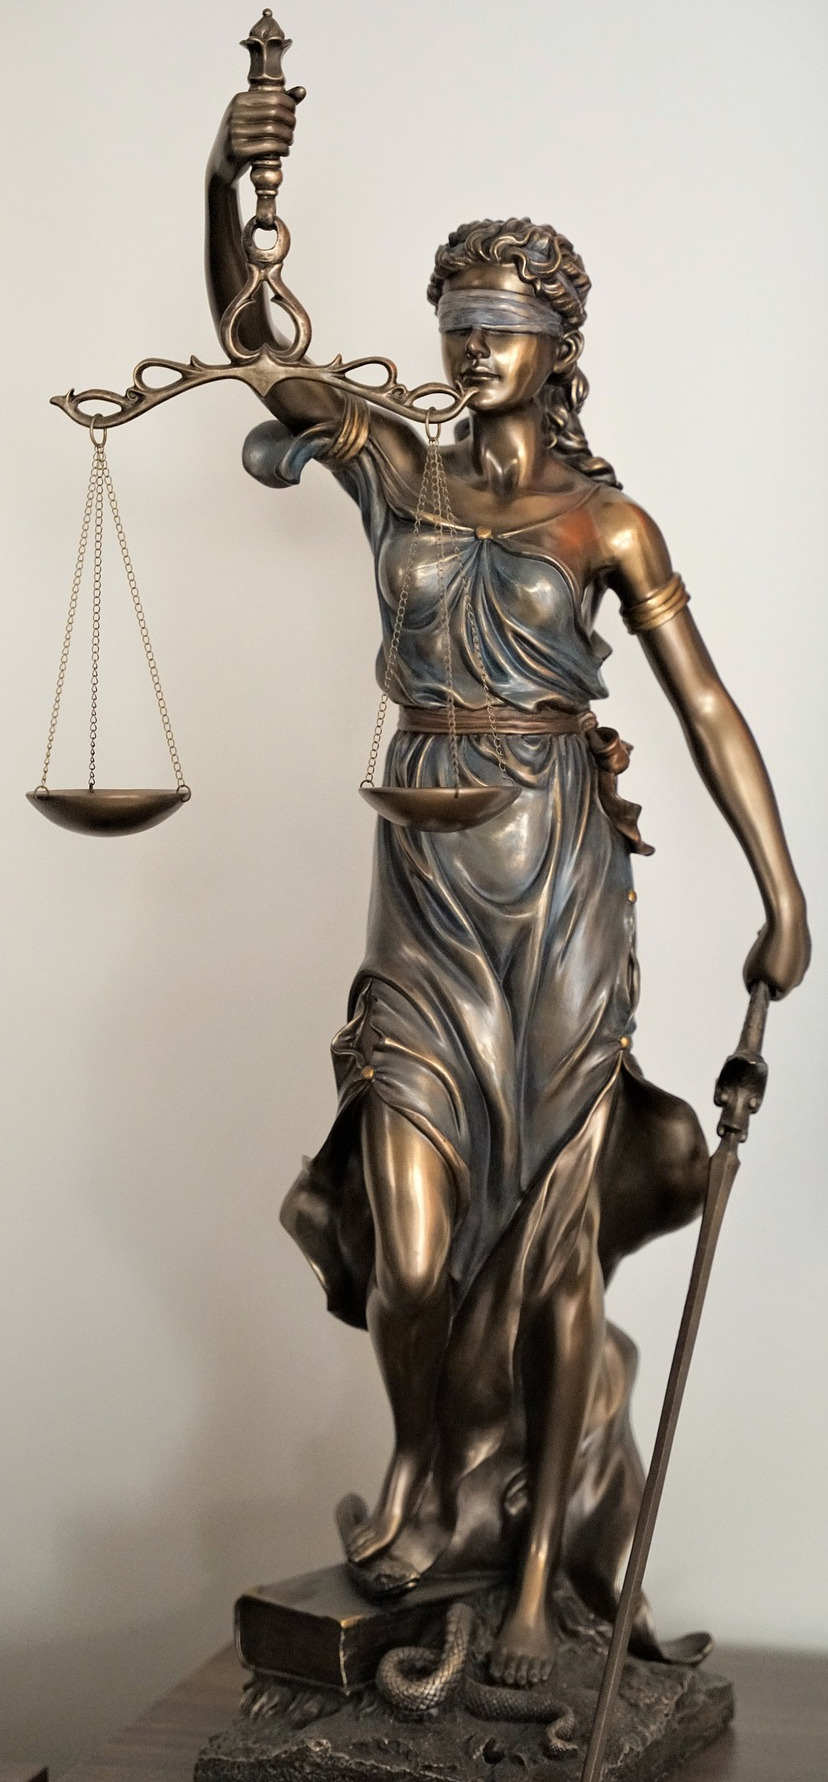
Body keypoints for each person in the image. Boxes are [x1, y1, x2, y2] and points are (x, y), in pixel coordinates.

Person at [205, 88, 810, 1686]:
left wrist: (785, 890)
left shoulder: (607, 520)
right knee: (409, 1249)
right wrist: (226, 171)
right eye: (455, 325)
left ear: (556, 346)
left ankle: (537, 1573)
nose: (471, 351)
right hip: (421, 883)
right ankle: (426, 1462)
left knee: (550, 1248)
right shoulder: (396, 471)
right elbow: (255, 346)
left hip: (557, 894)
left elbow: (707, 705)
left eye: (501, 329)